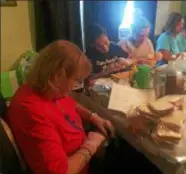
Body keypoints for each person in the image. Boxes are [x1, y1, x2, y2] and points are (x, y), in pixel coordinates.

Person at [4, 40, 115, 174]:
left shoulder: (48, 89)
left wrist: (93, 117)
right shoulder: (31, 112)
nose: (75, 85)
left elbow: (71, 104)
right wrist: (91, 145)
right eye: (76, 80)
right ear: (58, 75)